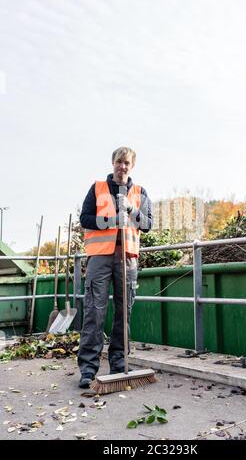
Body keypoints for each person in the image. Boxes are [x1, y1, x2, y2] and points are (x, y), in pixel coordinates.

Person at [78, 147, 153, 388]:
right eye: (119, 162)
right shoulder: (98, 188)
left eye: (127, 163)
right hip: (100, 257)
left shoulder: (140, 192)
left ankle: (119, 365)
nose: (122, 166)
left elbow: (148, 224)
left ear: (132, 166)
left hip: (127, 258)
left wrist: (131, 210)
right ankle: (88, 370)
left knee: (124, 313)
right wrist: (109, 221)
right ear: (113, 163)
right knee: (94, 311)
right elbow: (85, 218)